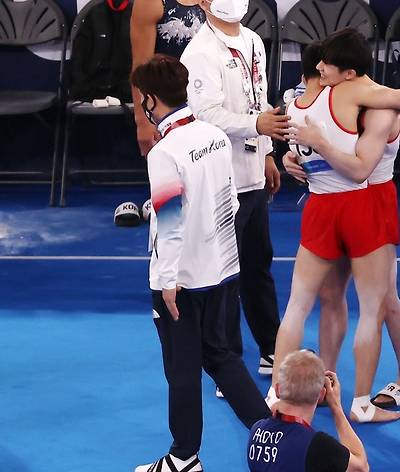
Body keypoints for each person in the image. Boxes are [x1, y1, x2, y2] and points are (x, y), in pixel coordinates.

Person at [268, 31, 400, 424]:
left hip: (367, 199)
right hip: (357, 203)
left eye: (326, 66)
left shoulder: (372, 103)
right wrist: (295, 159)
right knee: (362, 303)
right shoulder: (333, 97)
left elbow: (362, 162)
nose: (318, 72)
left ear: (347, 72)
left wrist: (311, 150)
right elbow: (347, 167)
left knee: (384, 302)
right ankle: (343, 392)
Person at [131, 54, 271, 472]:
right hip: (222, 269)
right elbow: (223, 197)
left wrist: (169, 280)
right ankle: (276, 436)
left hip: (183, 280)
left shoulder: (164, 152)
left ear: (152, 101)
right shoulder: (211, 135)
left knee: (182, 369)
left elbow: (172, 222)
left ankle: (183, 457)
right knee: (223, 358)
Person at [181, 0, 284, 382]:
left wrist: (269, 153)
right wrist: (257, 125)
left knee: (259, 266)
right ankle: (229, 365)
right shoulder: (199, 52)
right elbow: (205, 114)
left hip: (254, 173)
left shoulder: (255, 39)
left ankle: (272, 349)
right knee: (226, 275)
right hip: (222, 180)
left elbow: (260, 100)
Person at [247, 351, 369, 472]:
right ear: (321, 395)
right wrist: (336, 407)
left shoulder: (256, 430)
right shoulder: (318, 446)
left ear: (278, 390)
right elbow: (361, 468)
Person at [130, 0, 205, 156]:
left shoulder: (222, 4)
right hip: (170, 111)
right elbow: (141, 67)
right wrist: (143, 122)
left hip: (210, 104)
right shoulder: (150, 3)